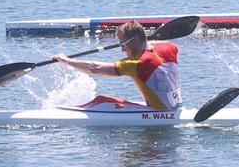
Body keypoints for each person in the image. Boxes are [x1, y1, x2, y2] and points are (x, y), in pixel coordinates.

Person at [52, 21, 181, 110]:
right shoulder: (170, 47)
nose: (122, 50)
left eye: (122, 44)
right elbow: (153, 45)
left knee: (101, 101)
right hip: (175, 108)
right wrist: (142, 41)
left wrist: (66, 60)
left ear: (135, 40)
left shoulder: (135, 64)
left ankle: (66, 112)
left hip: (158, 112)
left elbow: (94, 68)